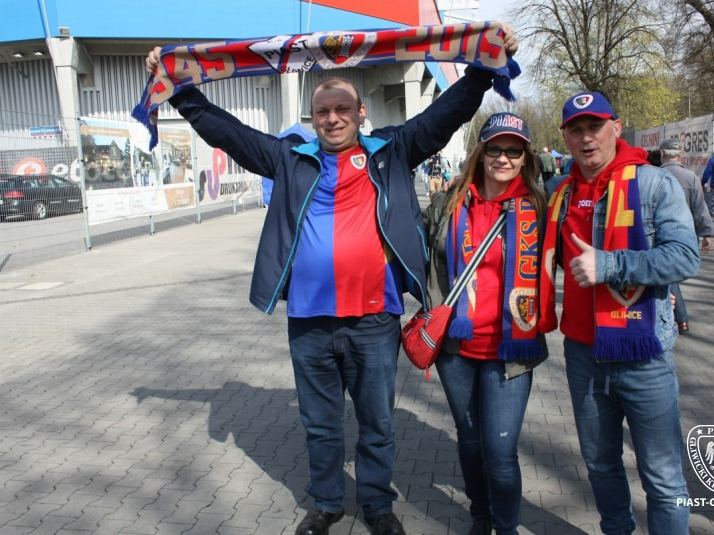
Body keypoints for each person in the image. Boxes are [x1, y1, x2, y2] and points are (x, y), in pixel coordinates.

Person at [146, 25, 518, 535]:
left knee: (378, 424)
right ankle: (326, 504)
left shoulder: (391, 151)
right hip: (310, 321)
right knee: (320, 424)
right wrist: (179, 90)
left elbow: (443, 116)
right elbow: (228, 133)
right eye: (323, 111)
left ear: (361, 113)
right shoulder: (290, 158)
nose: (333, 118)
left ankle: (377, 505)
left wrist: (482, 68)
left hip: (374, 320)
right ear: (313, 118)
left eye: (343, 109)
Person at [541, 91, 700, 535]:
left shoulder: (654, 183)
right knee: (600, 464)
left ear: (616, 126)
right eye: (576, 130)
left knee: (663, 479)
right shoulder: (560, 193)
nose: (586, 138)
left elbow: (685, 256)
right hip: (583, 356)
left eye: (595, 126)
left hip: (643, 355)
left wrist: (612, 265)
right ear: (565, 138)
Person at [423, 112, 548, 535]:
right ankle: (481, 513)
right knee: (471, 440)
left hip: (511, 349)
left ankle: (506, 527)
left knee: (500, 450)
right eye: (495, 148)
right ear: (481, 151)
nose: (503, 158)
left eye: (514, 151)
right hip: (456, 347)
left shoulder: (540, 206)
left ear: (525, 157)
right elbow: (414, 246)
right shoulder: (449, 203)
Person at [659, 138, 714, 333]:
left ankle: (679, 318)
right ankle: (679, 319)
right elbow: (700, 208)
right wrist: (707, 234)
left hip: (661, 235)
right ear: (681, 154)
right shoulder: (691, 177)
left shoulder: (656, 175)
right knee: (670, 275)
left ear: (661, 154)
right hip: (687, 236)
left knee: (668, 275)